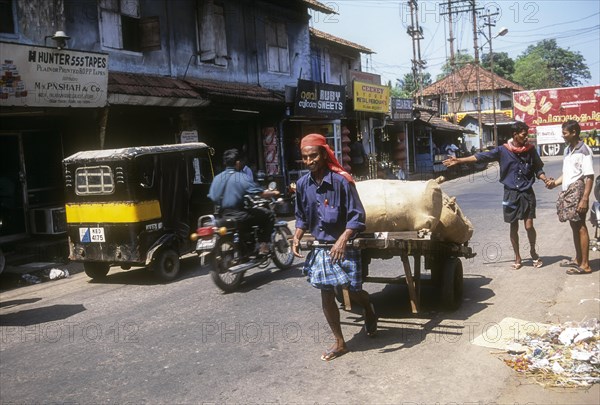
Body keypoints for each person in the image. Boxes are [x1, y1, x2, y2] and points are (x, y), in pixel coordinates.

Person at [291, 133, 377, 362]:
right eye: (305, 157)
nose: (309, 161)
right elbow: (301, 216)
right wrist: (297, 235)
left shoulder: (341, 181)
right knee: (327, 293)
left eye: (313, 156)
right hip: (321, 248)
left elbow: (358, 216)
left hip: (345, 245)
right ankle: (340, 342)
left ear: (324, 154)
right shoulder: (302, 184)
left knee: (353, 290)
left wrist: (343, 239)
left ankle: (368, 309)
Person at [443, 121, 549, 270]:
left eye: (527, 134)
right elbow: (481, 157)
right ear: (515, 135)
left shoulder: (530, 150)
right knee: (513, 227)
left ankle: (533, 251)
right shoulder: (502, 150)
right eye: (523, 135)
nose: (526, 138)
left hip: (526, 192)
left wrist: (545, 179)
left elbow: (538, 169)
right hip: (511, 193)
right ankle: (517, 257)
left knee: (529, 226)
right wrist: (459, 160)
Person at [545, 120, 595, 275]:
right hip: (568, 191)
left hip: (578, 191)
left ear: (574, 133)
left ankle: (585, 265)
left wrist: (585, 198)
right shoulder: (568, 150)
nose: (563, 136)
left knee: (580, 226)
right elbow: (567, 174)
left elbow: (589, 176)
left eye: (565, 133)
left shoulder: (584, 150)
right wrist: (554, 183)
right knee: (574, 225)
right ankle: (578, 258)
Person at [208, 148, 279, 254]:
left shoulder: (217, 178)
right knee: (268, 215)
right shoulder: (241, 177)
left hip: (222, 215)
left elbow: (212, 197)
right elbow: (260, 193)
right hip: (239, 215)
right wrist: (274, 193)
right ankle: (263, 245)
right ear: (237, 163)